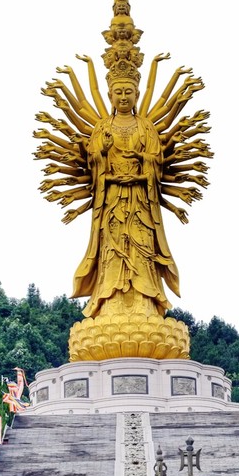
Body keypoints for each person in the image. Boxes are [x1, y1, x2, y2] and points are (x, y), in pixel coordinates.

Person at [68, 59, 185, 323]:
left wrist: (143, 161)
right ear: (110, 95)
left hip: (140, 201)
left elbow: (156, 162)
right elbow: (93, 162)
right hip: (111, 201)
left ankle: (145, 305)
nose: (123, 97)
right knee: (112, 251)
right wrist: (103, 153)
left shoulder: (146, 127)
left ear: (137, 94)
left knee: (142, 247)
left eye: (128, 92)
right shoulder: (102, 128)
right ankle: (109, 305)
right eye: (118, 92)